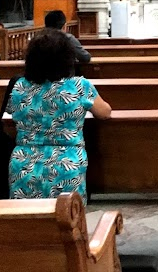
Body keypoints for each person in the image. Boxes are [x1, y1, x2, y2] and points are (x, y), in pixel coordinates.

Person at [7, 29, 111, 199]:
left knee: (26, 220)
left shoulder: (19, 86)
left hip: (24, 162)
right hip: (66, 162)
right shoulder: (78, 86)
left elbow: (11, 109)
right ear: (67, 58)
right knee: (69, 219)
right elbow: (104, 112)